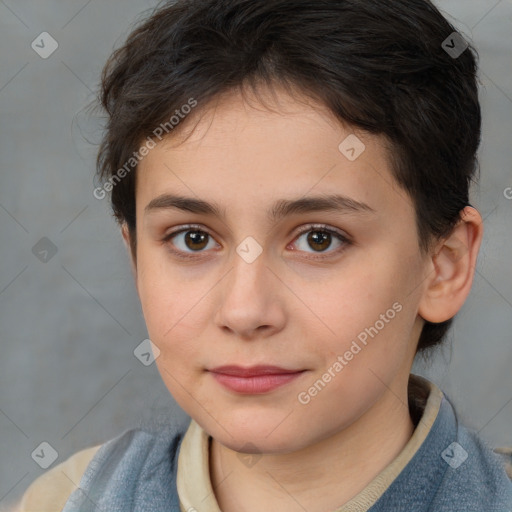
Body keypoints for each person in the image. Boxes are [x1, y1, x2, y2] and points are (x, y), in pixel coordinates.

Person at [15, 0, 512, 510]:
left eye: (320, 239)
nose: (245, 311)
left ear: (443, 266)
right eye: (193, 239)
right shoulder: (66, 500)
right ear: (136, 260)